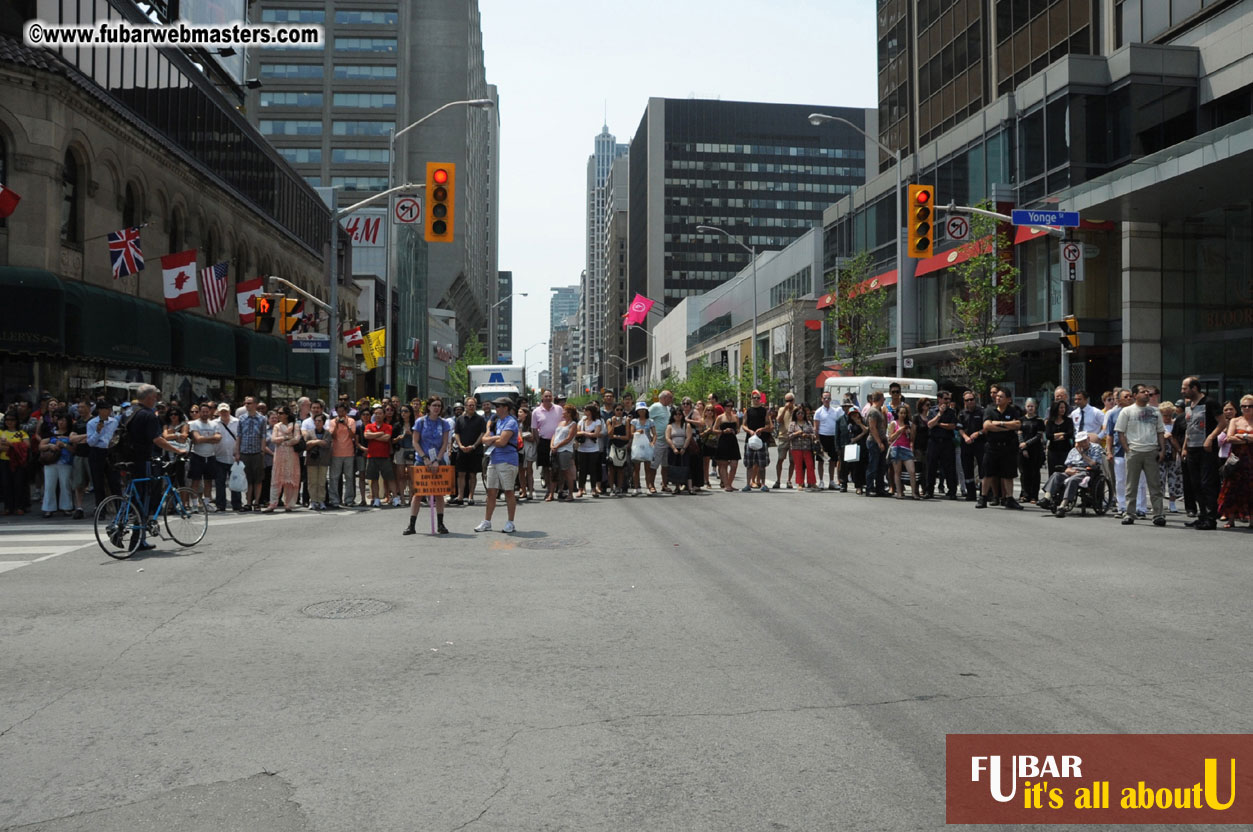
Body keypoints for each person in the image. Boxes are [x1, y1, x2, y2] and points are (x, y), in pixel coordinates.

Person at [123, 385, 189, 552]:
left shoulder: (130, 412)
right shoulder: (148, 416)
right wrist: (177, 450)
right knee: (144, 499)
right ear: (149, 398)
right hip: (143, 460)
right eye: (154, 397)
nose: (156, 400)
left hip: (127, 458)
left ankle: (127, 533)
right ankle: (138, 541)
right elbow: (157, 440)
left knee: (133, 496)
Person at [1115, 383, 1167, 526]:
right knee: (1131, 485)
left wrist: (1162, 449)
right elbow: (1120, 432)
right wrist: (1127, 449)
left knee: (1155, 485)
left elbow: (1160, 432)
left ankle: (1158, 514)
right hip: (1134, 451)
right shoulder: (1127, 411)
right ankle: (1129, 513)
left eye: (1148, 392)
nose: (1147, 394)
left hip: (1151, 451)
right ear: (1135, 395)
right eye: (1143, 392)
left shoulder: (1155, 412)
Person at [405, 396, 452, 535]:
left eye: (439, 406)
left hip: (438, 459)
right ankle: (411, 525)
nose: (436, 408)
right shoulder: (420, 422)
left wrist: (437, 459)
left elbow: (444, 443)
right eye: (434, 405)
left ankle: (441, 524)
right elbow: (415, 441)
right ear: (429, 407)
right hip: (422, 459)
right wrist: (425, 458)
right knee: (418, 493)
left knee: (438, 492)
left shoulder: (444, 424)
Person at [475, 397, 520, 534]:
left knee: (508, 491)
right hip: (494, 459)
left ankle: (510, 522)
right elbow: (484, 439)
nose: (496, 408)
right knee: (491, 491)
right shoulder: (496, 422)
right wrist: (495, 437)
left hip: (507, 460)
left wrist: (493, 439)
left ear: (506, 407)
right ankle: (487, 521)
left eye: (499, 406)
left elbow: (503, 442)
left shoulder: (511, 422)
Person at [1039, 431, 1104, 517]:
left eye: (1084, 441)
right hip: (1072, 470)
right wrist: (1068, 470)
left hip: (1087, 471)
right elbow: (1068, 465)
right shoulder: (1074, 450)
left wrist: (1082, 454)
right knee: (1056, 475)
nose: (1083, 444)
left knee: (1072, 480)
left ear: (1088, 439)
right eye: (1080, 442)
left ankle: (1062, 506)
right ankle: (1046, 498)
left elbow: (1093, 464)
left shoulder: (1096, 448)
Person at [979, 388, 1023, 510]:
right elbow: (987, 425)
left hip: (1008, 447)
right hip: (992, 446)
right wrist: (1007, 426)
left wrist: (1000, 424)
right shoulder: (990, 410)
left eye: (1001, 396)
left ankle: (1009, 498)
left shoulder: (1013, 411)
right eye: (997, 396)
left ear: (1008, 399)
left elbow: (1018, 424)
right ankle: (983, 498)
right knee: (988, 473)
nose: (998, 398)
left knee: (1008, 474)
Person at [1216, 394, 1253, 529]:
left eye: (1250, 406)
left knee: (1250, 489)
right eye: (1244, 406)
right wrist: (1249, 438)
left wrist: (1242, 436)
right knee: (1232, 489)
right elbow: (1230, 438)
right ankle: (1230, 519)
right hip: (1237, 460)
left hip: (1251, 460)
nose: (1247, 408)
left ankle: (1251, 520)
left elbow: (1235, 437)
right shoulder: (1235, 421)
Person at [39, 411, 78, 518]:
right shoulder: (51, 433)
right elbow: (41, 445)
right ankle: (48, 508)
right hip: (51, 461)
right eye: (60, 420)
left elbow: (74, 449)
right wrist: (50, 446)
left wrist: (64, 445)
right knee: (49, 485)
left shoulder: (71, 434)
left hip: (66, 462)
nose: (61, 422)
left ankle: (66, 507)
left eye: (64, 420)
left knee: (65, 484)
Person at [263, 406, 302, 513]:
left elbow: (297, 439)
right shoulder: (277, 426)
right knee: (276, 480)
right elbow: (273, 439)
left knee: (290, 480)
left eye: (280, 413)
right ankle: (272, 504)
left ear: (286, 415)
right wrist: (285, 438)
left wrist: (285, 443)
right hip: (279, 456)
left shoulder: (295, 425)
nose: (278, 415)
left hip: (291, 456)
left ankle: (289, 504)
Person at [84, 400, 121, 506]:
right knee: (98, 483)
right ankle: (101, 509)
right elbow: (90, 442)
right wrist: (97, 432)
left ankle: (118, 507)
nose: (109, 411)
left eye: (110, 409)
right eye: (106, 409)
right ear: (100, 410)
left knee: (114, 482)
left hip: (110, 452)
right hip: (97, 452)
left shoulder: (114, 422)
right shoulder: (91, 423)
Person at [452, 396, 485, 506]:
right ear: (465, 406)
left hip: (475, 451)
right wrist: (460, 445)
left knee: (472, 474)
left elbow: (482, 434)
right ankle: (460, 496)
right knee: (461, 474)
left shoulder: (480, 419)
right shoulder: (459, 419)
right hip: (462, 450)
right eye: (469, 405)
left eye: (473, 405)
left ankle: (471, 496)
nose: (471, 407)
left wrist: (474, 446)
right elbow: (456, 433)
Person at [924, 392, 958, 499]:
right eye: (945, 399)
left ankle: (952, 491)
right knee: (931, 467)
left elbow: (952, 426)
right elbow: (929, 424)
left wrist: (938, 424)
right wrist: (939, 414)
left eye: (949, 399)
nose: (947, 401)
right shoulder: (932, 410)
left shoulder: (952, 412)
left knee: (949, 468)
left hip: (947, 442)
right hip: (934, 442)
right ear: (939, 399)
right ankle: (929, 491)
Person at [188, 403, 220, 511]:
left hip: (210, 456)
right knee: (195, 481)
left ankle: (206, 503)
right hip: (197, 455)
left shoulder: (214, 424)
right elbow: (197, 439)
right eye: (203, 411)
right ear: (200, 412)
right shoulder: (194, 424)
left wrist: (204, 438)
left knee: (208, 481)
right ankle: (195, 505)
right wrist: (211, 438)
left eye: (207, 411)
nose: (205, 413)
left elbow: (218, 438)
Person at [212, 403, 243, 513]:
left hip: (234, 456)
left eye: (226, 411)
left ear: (229, 411)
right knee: (219, 483)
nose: (224, 413)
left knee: (235, 482)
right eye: (222, 411)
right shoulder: (214, 423)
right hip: (219, 456)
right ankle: (220, 505)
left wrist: (239, 452)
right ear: (219, 412)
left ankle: (237, 504)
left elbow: (240, 438)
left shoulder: (237, 422)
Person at [362, 405, 395, 508]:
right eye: (376, 413)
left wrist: (374, 435)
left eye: (380, 413)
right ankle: (376, 498)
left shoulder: (388, 426)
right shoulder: (369, 426)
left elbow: (387, 438)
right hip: (372, 456)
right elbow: (367, 436)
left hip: (384, 456)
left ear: (384, 415)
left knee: (389, 478)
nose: (378, 415)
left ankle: (395, 498)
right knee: (374, 478)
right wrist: (380, 433)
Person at [0, 409, 32, 515]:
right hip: (4, 461)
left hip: (19, 462)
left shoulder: (21, 433)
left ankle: (20, 506)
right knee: (6, 484)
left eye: (12, 420)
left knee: (19, 484)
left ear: (17, 421)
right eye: (7, 419)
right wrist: (14, 446)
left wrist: (9, 444)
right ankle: (8, 507)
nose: (9, 422)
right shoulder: (1, 432)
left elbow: (26, 446)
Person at [328, 401, 357, 509]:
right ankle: (334, 500)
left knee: (349, 477)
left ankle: (349, 500)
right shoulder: (332, 422)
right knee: (334, 477)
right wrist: (336, 424)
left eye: (342, 411)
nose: (340, 414)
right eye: (338, 411)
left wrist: (346, 425)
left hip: (349, 452)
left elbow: (352, 435)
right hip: (336, 453)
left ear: (346, 412)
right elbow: (333, 436)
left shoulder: (351, 421)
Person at [887, 403, 919, 500]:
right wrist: (899, 430)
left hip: (906, 449)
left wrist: (909, 432)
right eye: (901, 413)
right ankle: (899, 493)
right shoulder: (893, 423)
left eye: (904, 413)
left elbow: (912, 438)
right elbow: (890, 438)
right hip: (896, 448)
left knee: (912, 471)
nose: (903, 415)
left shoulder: (909, 424)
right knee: (898, 472)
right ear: (897, 413)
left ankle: (914, 493)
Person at [741, 391, 772, 491]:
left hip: (761, 440)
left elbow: (769, 425)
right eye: (754, 398)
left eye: (758, 398)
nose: (756, 400)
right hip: (750, 440)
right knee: (749, 464)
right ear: (752, 399)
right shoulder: (748, 411)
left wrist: (762, 429)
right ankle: (748, 484)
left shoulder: (764, 411)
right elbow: (743, 425)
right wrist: (749, 431)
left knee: (762, 464)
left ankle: (763, 484)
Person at [532, 390, 561, 494]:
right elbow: (534, 429)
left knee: (558, 466)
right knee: (546, 467)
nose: (548, 398)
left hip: (558, 442)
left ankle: (559, 489)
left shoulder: (559, 409)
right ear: (542, 398)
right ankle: (549, 489)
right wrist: (538, 441)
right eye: (546, 396)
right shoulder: (536, 411)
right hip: (543, 442)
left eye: (550, 396)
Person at [957, 391, 985, 501]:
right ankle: (971, 493)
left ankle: (984, 494)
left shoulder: (982, 411)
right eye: (967, 400)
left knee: (982, 469)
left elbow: (986, 427)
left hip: (980, 443)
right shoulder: (962, 413)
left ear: (975, 400)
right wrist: (965, 437)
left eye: (971, 399)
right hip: (966, 444)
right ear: (964, 402)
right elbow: (960, 428)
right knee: (967, 469)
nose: (970, 402)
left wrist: (978, 433)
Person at [1017, 398, 1046, 503]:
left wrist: (1027, 443)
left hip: (1035, 450)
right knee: (1024, 473)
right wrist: (1023, 447)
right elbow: (1019, 434)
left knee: (1035, 473)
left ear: (1035, 407)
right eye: (1028, 406)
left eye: (1032, 406)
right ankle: (1025, 494)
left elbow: (1039, 436)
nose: (1030, 408)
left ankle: (1034, 495)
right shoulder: (1021, 420)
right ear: (1025, 407)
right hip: (1022, 450)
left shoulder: (1039, 421)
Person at [813, 391, 843, 490]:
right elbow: (816, 428)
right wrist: (817, 440)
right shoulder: (818, 412)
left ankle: (831, 481)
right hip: (822, 437)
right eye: (825, 398)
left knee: (833, 460)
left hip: (832, 437)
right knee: (821, 460)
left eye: (828, 398)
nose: (826, 400)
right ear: (822, 399)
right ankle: (821, 481)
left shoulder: (835, 411)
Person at [575, 404, 604, 498]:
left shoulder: (597, 421)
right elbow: (577, 433)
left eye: (586, 410)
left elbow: (596, 434)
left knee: (593, 470)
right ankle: (580, 489)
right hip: (582, 448)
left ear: (590, 411)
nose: (584, 411)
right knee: (582, 470)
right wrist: (586, 433)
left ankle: (593, 489)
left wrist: (584, 433)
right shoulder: (582, 421)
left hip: (593, 449)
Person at [1159, 401, 1184, 512]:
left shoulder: (1175, 424)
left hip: (1174, 455)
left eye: (1170, 415)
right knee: (1160, 479)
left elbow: (1179, 439)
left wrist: (1170, 438)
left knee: (1174, 478)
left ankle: (1172, 502)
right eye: (1165, 415)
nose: (1168, 417)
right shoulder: (1158, 425)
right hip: (1161, 455)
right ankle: (1158, 502)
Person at [550, 404, 578, 501]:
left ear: (569, 413)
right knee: (554, 472)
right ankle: (551, 494)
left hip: (565, 450)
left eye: (565, 411)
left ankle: (570, 494)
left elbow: (568, 438)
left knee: (566, 472)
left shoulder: (573, 424)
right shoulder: (560, 423)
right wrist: (552, 445)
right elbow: (554, 435)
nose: (563, 413)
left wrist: (557, 446)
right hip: (555, 450)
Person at [648, 390, 675, 492]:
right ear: (664, 398)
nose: (671, 400)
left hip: (667, 441)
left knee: (665, 465)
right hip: (658, 440)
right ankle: (651, 484)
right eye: (670, 397)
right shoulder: (655, 406)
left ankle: (664, 484)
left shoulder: (668, 408)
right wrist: (652, 435)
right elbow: (647, 419)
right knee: (654, 465)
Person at [788, 402, 818, 491]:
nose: (800, 415)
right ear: (795, 414)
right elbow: (789, 436)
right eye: (798, 413)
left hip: (807, 448)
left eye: (802, 413)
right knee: (798, 466)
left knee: (810, 465)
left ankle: (812, 482)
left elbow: (814, 435)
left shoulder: (808, 423)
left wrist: (808, 435)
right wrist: (797, 433)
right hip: (796, 448)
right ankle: (800, 483)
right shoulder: (793, 424)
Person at [304, 413, 331, 511]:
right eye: (316, 420)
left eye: (320, 421)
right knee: (312, 482)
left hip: (323, 460)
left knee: (321, 482)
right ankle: (313, 500)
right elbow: (306, 446)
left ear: (323, 422)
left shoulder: (327, 433)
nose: (318, 422)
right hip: (312, 460)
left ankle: (321, 500)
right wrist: (317, 442)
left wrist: (313, 442)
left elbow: (326, 444)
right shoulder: (309, 432)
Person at [714, 397, 741, 492]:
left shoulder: (736, 417)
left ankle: (730, 483)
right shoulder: (720, 417)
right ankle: (726, 484)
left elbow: (738, 429)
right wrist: (723, 431)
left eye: (731, 406)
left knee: (734, 464)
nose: (730, 408)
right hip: (723, 440)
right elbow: (714, 429)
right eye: (728, 406)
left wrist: (735, 431)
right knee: (723, 464)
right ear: (724, 407)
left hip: (733, 441)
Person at [864, 392, 888, 497]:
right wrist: (879, 442)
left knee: (881, 466)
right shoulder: (873, 411)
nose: (884, 401)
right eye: (883, 399)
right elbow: (872, 428)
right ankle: (869, 488)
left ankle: (880, 488)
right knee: (873, 465)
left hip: (881, 440)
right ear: (879, 399)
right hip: (874, 441)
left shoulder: (878, 410)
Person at [664, 405, 693, 494]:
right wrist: (673, 448)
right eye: (676, 414)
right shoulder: (670, 426)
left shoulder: (686, 425)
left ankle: (690, 487)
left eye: (680, 414)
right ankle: (677, 487)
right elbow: (667, 438)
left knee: (687, 467)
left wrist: (684, 448)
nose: (678, 416)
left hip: (684, 448)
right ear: (673, 415)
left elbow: (688, 437)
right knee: (675, 468)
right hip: (673, 449)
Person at [605, 402, 631, 495]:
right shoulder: (610, 420)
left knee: (620, 468)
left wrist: (617, 436)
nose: (619, 411)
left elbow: (627, 436)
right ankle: (612, 488)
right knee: (611, 468)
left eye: (621, 410)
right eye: (617, 410)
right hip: (612, 446)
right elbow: (610, 435)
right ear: (614, 410)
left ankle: (619, 488)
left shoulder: (626, 420)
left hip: (622, 447)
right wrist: (613, 424)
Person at [629, 402, 654, 496]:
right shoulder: (634, 421)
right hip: (637, 446)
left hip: (647, 446)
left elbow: (654, 434)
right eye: (640, 410)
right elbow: (631, 433)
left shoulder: (650, 421)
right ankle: (636, 488)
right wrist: (637, 431)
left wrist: (653, 442)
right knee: (636, 469)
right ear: (637, 411)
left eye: (643, 410)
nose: (642, 411)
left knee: (648, 468)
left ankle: (648, 487)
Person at [1045, 399, 1075, 476]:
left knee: (1064, 472)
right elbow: (1048, 435)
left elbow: (1070, 434)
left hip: (1065, 450)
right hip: (1053, 451)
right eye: (1060, 408)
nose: (1063, 410)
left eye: (1064, 408)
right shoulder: (1050, 422)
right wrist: (1061, 434)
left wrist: (1056, 436)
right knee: (1053, 473)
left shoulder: (1068, 420)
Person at [393, 404, 415, 506]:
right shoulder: (397, 425)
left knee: (411, 476)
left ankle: (411, 498)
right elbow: (392, 440)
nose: (403, 413)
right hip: (400, 450)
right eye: (401, 411)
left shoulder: (415, 424)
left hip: (411, 450)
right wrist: (399, 438)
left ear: (410, 413)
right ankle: (402, 498)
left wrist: (411, 434)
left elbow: (421, 438)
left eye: (406, 411)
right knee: (400, 475)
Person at [683, 399, 706, 493]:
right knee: (686, 463)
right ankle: (686, 484)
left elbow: (701, 423)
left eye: (687, 403)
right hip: (683, 440)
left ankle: (697, 484)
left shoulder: (694, 412)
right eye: (684, 403)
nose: (685, 405)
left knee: (695, 462)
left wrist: (688, 420)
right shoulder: (681, 412)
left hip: (694, 440)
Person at [774, 393, 796, 489]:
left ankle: (789, 480)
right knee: (780, 459)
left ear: (793, 401)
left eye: (790, 401)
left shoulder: (797, 410)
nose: (788, 403)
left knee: (793, 461)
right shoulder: (781, 409)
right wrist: (785, 409)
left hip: (794, 438)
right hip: (783, 437)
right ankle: (778, 480)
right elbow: (778, 420)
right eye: (786, 401)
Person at [518, 404, 537, 500]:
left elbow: (533, 438)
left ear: (526, 414)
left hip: (529, 449)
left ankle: (530, 492)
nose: (519, 414)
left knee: (529, 470)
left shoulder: (531, 425)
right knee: (521, 471)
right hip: (520, 450)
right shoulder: (517, 424)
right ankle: (523, 491)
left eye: (521, 412)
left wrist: (523, 436)